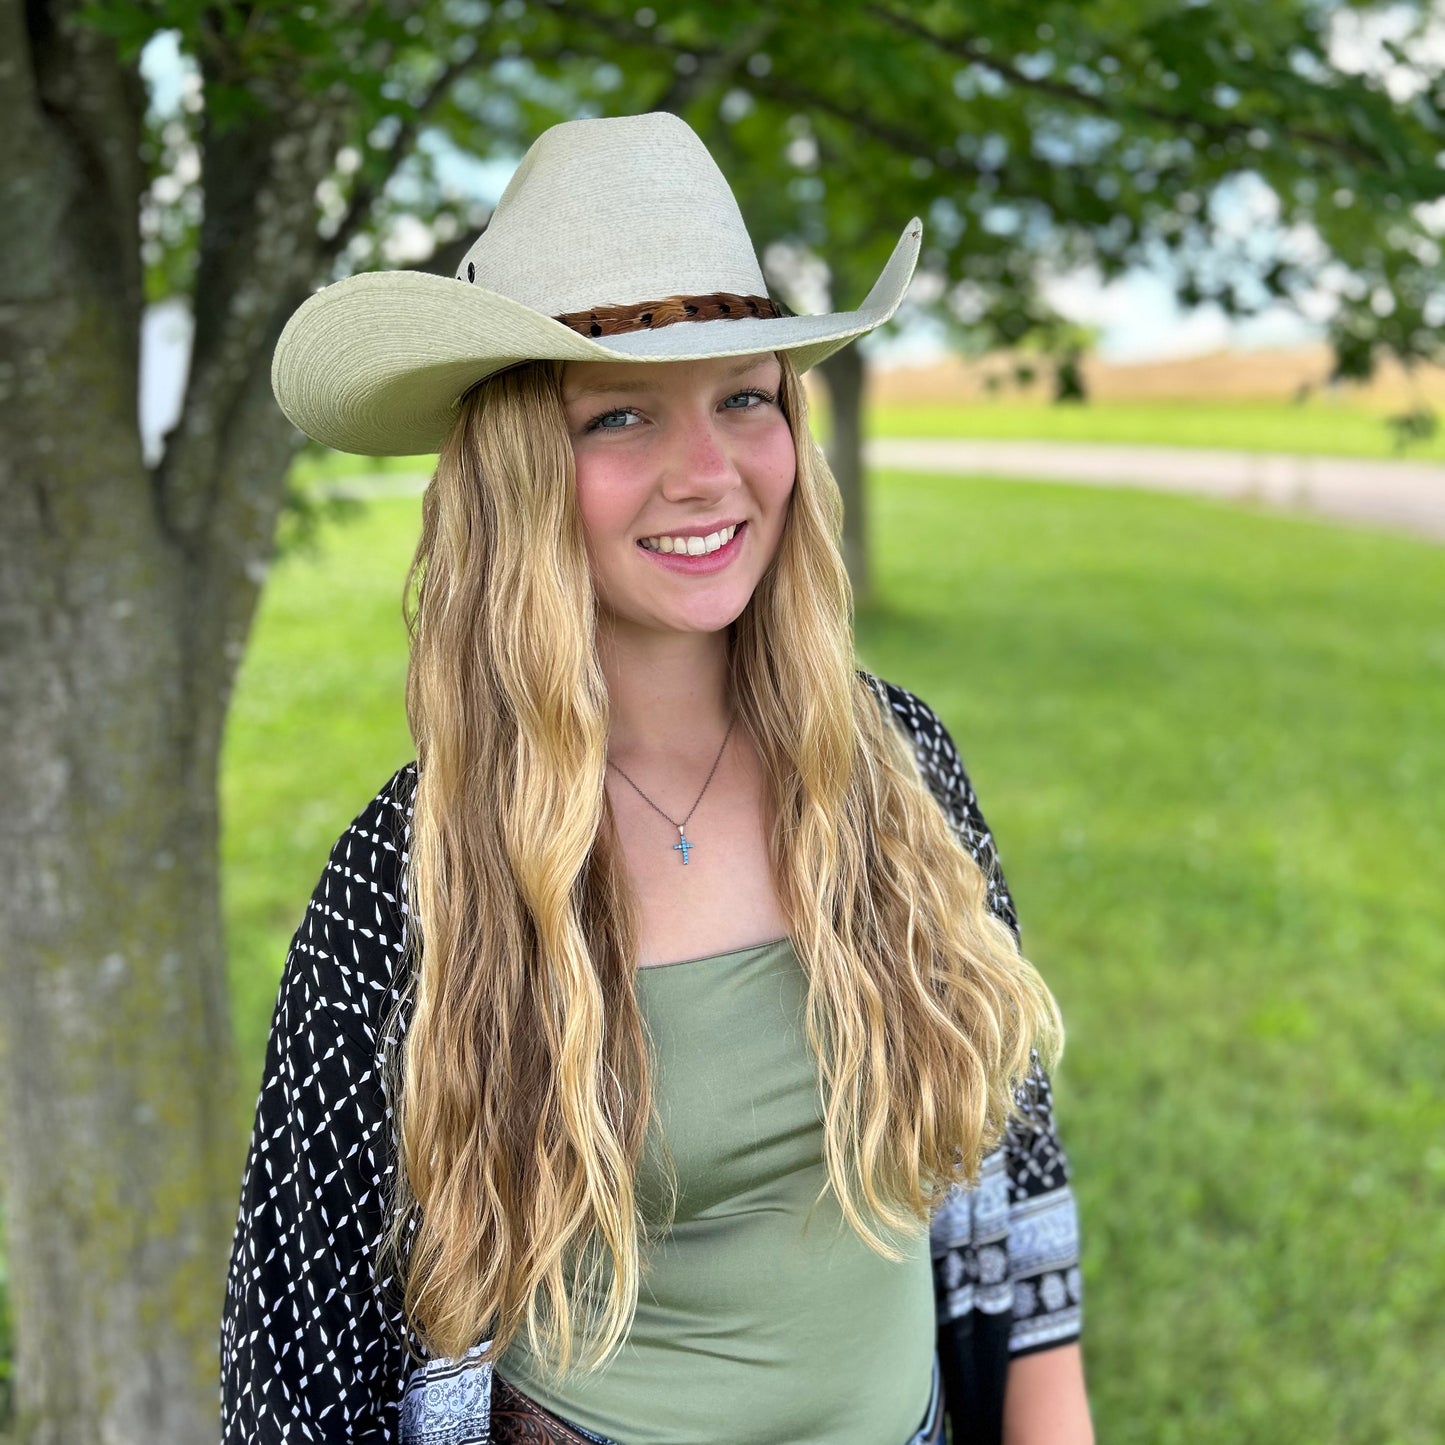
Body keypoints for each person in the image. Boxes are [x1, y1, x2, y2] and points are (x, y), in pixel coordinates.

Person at [221, 112, 1091, 1445]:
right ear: (518, 471)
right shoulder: (409, 888)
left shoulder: (896, 767)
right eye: (620, 414)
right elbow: (296, 1381)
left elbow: (1017, 1206)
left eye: (745, 396)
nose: (708, 473)